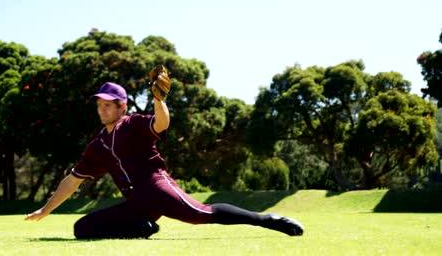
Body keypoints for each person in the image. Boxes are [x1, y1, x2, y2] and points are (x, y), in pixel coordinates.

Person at [25, 70, 304, 239]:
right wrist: (45, 210)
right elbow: (72, 181)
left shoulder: (132, 124)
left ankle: (269, 220)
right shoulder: (97, 145)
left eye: (109, 105)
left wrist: (160, 100)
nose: (102, 109)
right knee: (83, 228)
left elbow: (161, 123)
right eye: (99, 104)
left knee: (198, 213)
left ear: (122, 106)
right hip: (136, 203)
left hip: (156, 186)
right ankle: (143, 227)